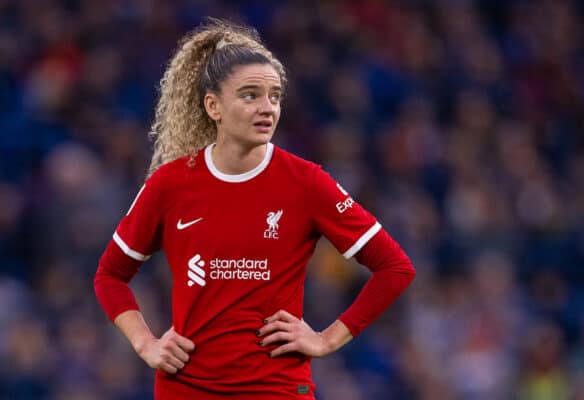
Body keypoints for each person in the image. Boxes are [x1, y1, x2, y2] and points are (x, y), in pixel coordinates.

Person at [94, 18, 416, 400]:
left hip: (276, 388)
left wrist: (327, 339)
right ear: (213, 106)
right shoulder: (171, 183)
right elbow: (110, 275)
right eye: (250, 95)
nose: (268, 108)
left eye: (275, 96)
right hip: (187, 388)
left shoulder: (306, 182)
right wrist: (145, 343)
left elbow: (395, 268)